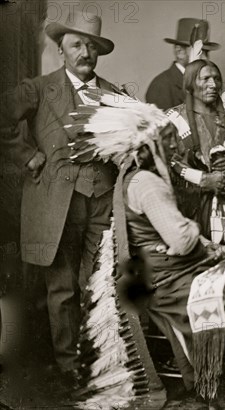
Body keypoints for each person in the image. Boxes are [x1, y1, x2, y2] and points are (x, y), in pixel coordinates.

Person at [68, 95, 225, 409]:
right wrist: (193, 231)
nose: (176, 148)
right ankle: (223, 384)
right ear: (150, 148)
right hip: (169, 280)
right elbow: (181, 241)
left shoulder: (135, 178)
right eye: (169, 142)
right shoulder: (148, 183)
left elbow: (177, 236)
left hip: (169, 269)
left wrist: (208, 244)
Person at [0, 10, 121, 389]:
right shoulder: (38, 88)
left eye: (92, 46)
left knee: (100, 283)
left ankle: (101, 362)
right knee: (63, 286)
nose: (85, 51)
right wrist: (27, 155)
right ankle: (71, 369)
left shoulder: (115, 95)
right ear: (60, 50)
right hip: (56, 203)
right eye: (76, 44)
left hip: (102, 200)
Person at [165, 58, 225, 239]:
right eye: (205, 79)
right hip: (187, 206)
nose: (213, 84)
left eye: (216, 79)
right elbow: (166, 162)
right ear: (190, 83)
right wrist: (203, 179)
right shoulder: (173, 119)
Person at [146, 19, 220, 110]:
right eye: (200, 52)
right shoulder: (160, 86)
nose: (206, 59)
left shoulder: (208, 83)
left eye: (207, 53)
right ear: (179, 52)